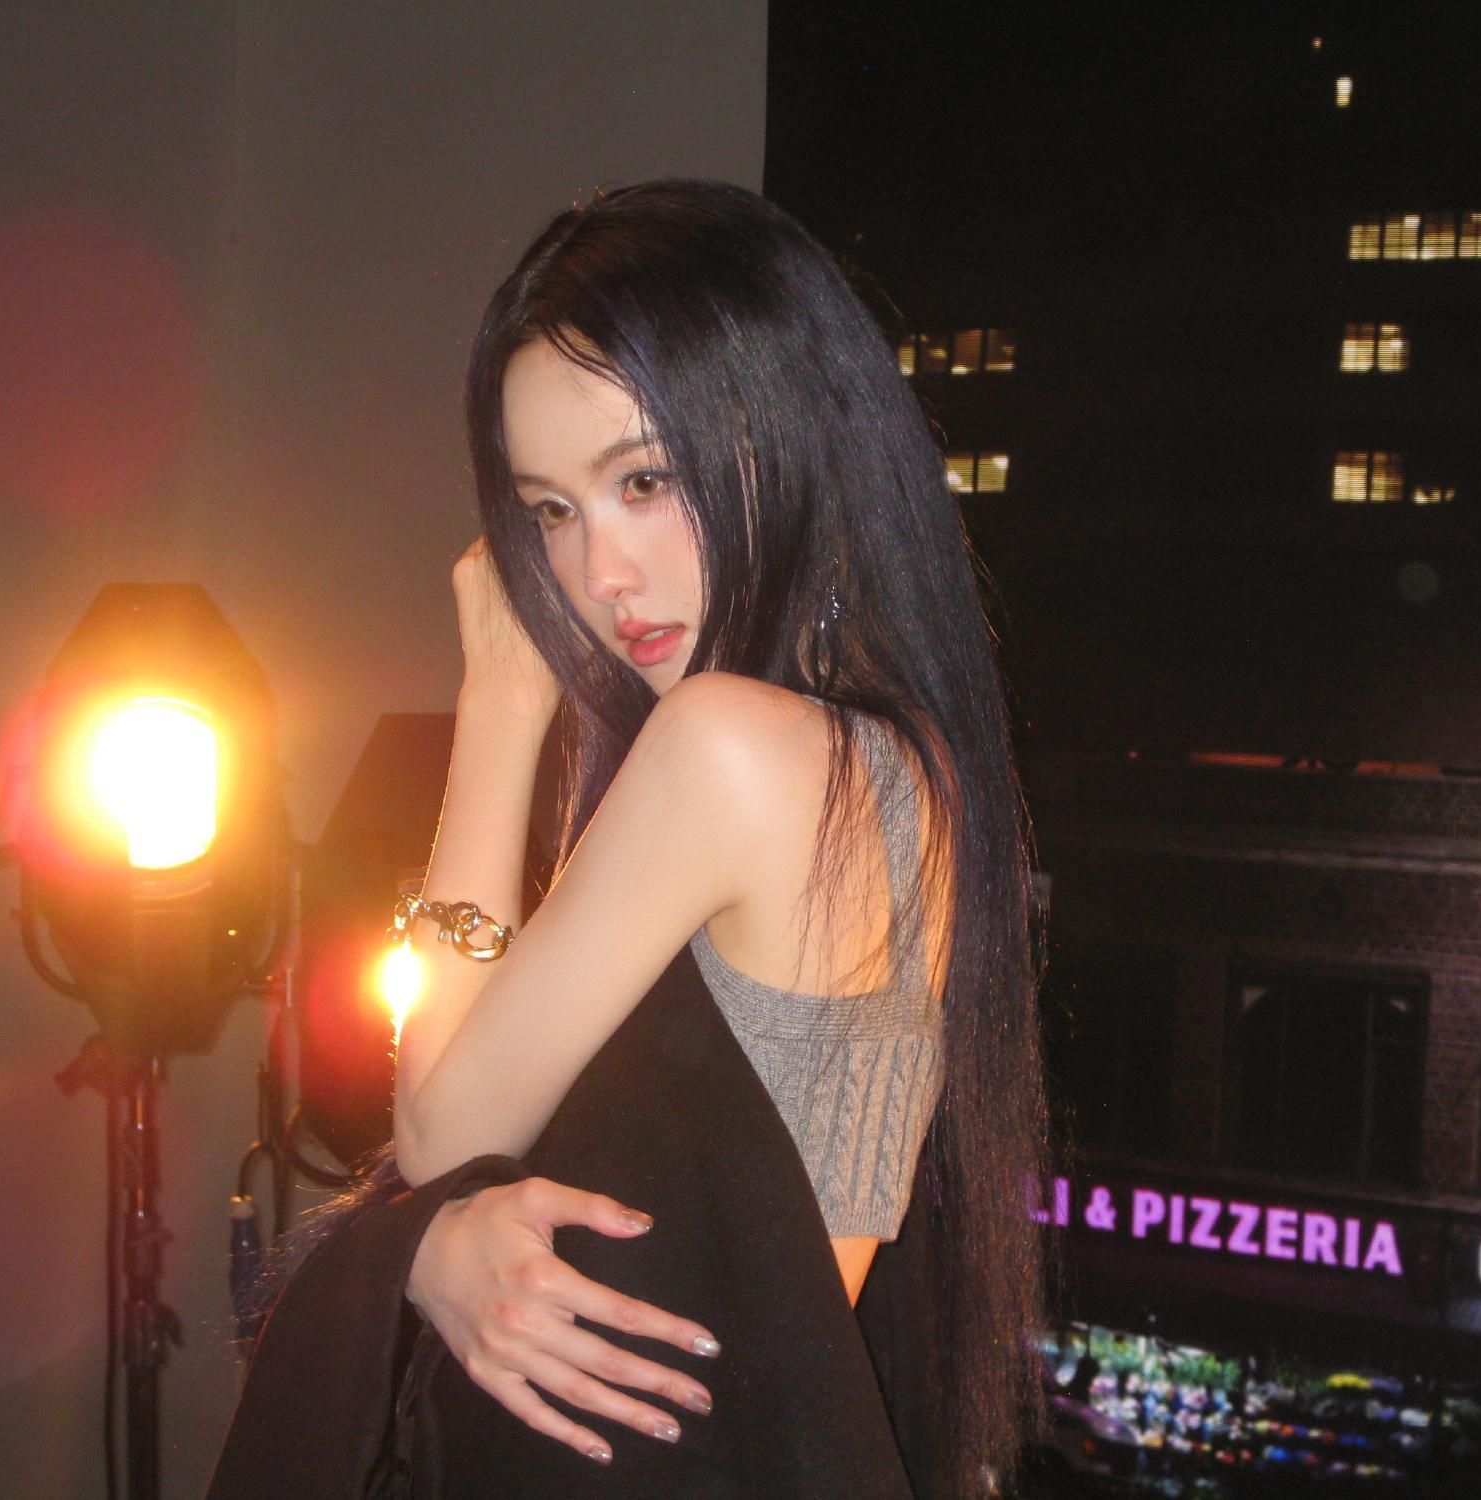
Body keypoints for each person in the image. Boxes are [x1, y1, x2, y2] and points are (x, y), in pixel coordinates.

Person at [207, 180, 1053, 1499]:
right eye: (550, 511)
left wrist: (499, 701)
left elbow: (440, 1128)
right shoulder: (898, 767)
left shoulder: (735, 749)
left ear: (785, 436)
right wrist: (437, 1245)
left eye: (645, 481)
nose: (598, 576)